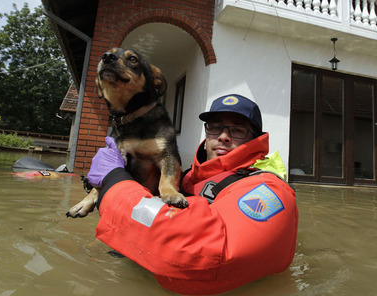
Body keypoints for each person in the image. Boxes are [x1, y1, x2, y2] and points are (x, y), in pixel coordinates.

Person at [90, 94, 298, 295]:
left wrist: (113, 183)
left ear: (255, 139)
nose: (223, 137)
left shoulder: (270, 189)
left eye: (237, 130)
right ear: (207, 135)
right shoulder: (186, 177)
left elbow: (203, 258)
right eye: (215, 127)